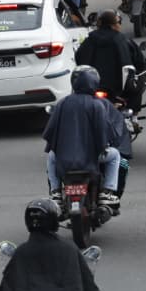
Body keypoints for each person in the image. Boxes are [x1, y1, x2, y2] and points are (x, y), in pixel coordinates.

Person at [43, 66, 123, 208]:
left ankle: (55, 193)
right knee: (115, 155)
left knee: (51, 157)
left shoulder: (62, 103)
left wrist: (55, 149)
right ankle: (107, 192)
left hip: (65, 159)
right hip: (91, 159)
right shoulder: (97, 105)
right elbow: (102, 133)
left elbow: (50, 132)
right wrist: (103, 147)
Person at [0, 199, 101, 291]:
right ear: (54, 220)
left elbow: (6, 287)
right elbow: (89, 285)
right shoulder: (69, 249)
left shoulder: (21, 252)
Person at [75, 10, 146, 110]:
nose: (120, 25)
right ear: (113, 25)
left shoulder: (89, 40)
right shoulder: (122, 40)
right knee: (138, 84)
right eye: (119, 22)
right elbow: (140, 62)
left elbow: (78, 58)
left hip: (91, 86)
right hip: (118, 90)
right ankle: (134, 114)